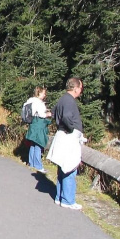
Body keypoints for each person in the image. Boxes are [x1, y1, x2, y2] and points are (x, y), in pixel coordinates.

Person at [47, 77, 87, 210]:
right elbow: (66, 117)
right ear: (75, 88)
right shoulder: (69, 101)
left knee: (62, 168)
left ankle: (60, 197)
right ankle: (68, 200)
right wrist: (72, 129)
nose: (81, 91)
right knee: (70, 168)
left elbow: (53, 113)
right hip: (68, 137)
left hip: (62, 136)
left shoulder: (63, 98)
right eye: (80, 88)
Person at [24, 86, 53, 173]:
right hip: (39, 126)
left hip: (33, 124)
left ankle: (31, 163)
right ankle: (38, 166)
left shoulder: (30, 100)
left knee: (33, 144)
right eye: (44, 93)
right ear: (39, 93)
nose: (45, 95)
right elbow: (41, 115)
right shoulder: (39, 102)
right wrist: (49, 114)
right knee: (38, 145)